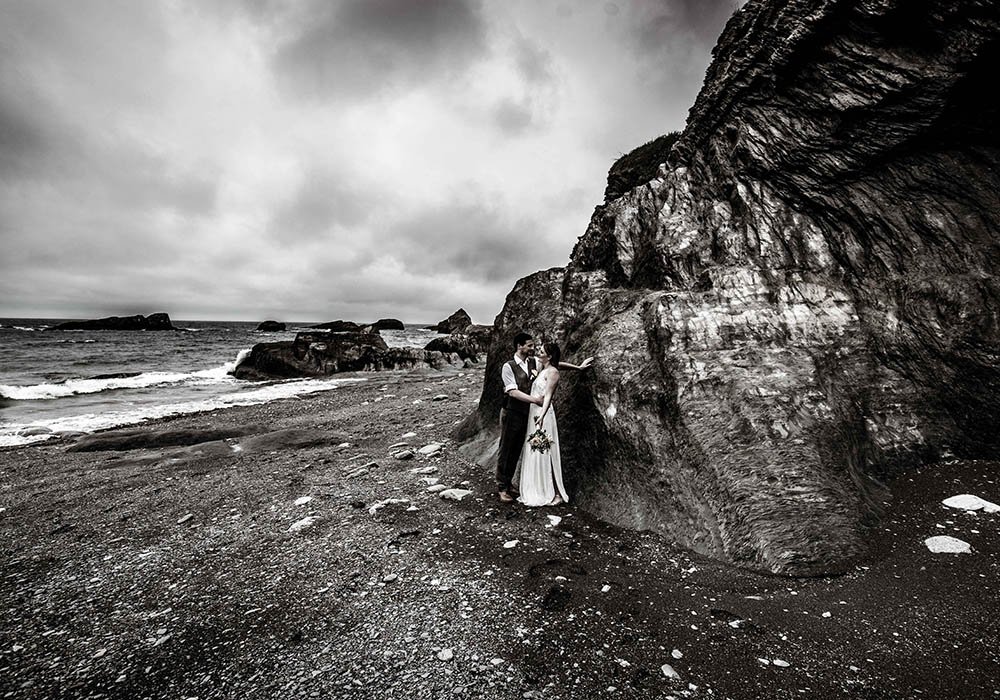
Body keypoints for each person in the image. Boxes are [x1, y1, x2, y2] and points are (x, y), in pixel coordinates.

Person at [497, 333, 591, 503]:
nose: (533, 348)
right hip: (512, 411)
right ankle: (502, 487)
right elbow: (512, 391)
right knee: (507, 448)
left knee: (519, 447)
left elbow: (554, 366)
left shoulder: (534, 362)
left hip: (530, 413)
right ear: (520, 346)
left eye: (534, 346)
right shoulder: (508, 366)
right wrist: (536, 400)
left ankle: (509, 482)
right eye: (530, 345)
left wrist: (578, 368)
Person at [517, 342, 569, 507]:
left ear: (550, 356)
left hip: (543, 415)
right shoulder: (543, 368)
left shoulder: (552, 372)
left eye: (541, 351)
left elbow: (548, 396)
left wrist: (543, 414)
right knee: (536, 450)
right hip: (535, 414)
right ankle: (539, 488)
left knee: (546, 450)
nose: (538, 351)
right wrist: (579, 367)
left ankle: (556, 492)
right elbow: (561, 364)